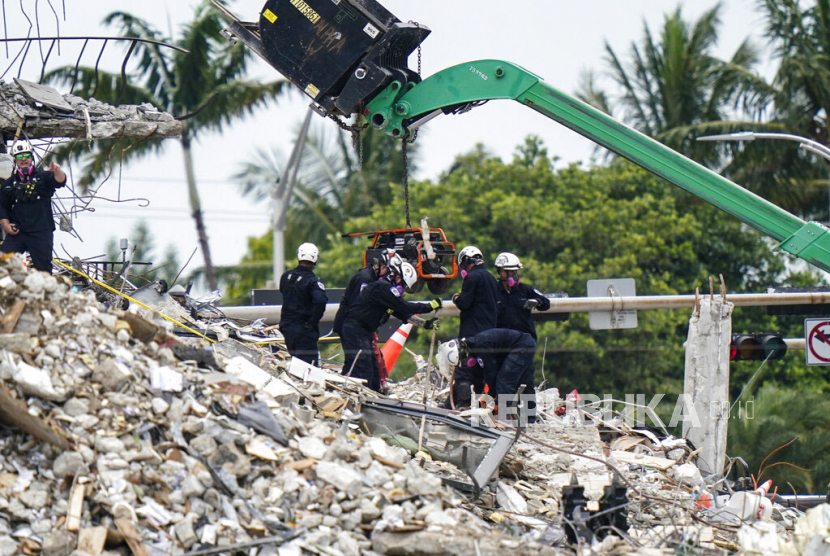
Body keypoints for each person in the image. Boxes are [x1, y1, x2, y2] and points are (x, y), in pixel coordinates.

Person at [341, 255, 441, 392]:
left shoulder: (387, 295)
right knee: (363, 371)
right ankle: (356, 399)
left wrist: (425, 324)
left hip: (364, 332)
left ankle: (373, 399)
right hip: (355, 330)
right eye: (404, 286)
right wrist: (429, 306)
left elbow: (402, 314)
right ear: (398, 277)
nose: (403, 290)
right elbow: (405, 307)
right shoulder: (383, 288)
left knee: (375, 375)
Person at [436, 329, 537, 421]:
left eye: (463, 359)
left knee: (505, 381)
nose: (466, 362)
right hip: (522, 345)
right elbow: (477, 379)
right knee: (525, 380)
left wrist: (493, 399)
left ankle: (504, 418)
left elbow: (491, 374)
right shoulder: (474, 348)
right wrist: (449, 405)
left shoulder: (481, 346)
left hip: (523, 345)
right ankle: (530, 418)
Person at [332, 249, 395, 390]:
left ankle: (353, 390)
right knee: (361, 367)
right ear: (382, 267)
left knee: (363, 365)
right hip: (353, 326)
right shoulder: (365, 279)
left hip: (359, 327)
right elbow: (361, 308)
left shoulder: (371, 278)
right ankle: (358, 394)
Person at [0, 141, 67, 272]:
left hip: (41, 231)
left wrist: (58, 171)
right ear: (15, 160)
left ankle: (45, 292)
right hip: (18, 232)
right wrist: (6, 225)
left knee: (43, 270)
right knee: (4, 264)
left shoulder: (44, 176)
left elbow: (60, 181)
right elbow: (3, 206)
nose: (23, 159)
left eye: (26, 156)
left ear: (31, 158)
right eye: (19, 156)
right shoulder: (8, 184)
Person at [449, 245, 499, 406]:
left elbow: (465, 303)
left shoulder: (472, 278)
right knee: (483, 370)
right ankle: (485, 404)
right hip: (489, 331)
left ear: (466, 262)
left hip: (471, 332)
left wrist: (456, 298)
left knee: (464, 370)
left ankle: (462, 404)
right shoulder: (491, 278)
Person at [279, 243, 328, 366]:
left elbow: (284, 292)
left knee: (294, 364)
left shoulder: (286, 277)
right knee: (308, 368)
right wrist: (312, 322)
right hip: (304, 331)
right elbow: (320, 301)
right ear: (315, 259)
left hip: (287, 329)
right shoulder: (313, 282)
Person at [494, 252, 550, 340]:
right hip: (502, 341)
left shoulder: (525, 289)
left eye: (515, 271)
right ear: (502, 272)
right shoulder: (494, 291)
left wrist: (537, 302)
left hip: (524, 339)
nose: (515, 275)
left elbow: (546, 303)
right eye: (511, 272)